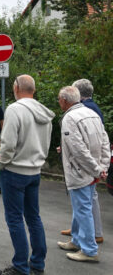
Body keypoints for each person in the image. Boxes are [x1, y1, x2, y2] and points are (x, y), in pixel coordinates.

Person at [0, 75, 55, 275]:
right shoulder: (44, 112)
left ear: (16, 88)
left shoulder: (14, 109)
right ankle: (37, 263)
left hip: (14, 171)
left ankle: (20, 266)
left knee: (14, 219)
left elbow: (8, 144)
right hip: (35, 171)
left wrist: (0, 166)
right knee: (33, 217)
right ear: (34, 90)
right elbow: (45, 144)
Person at [56, 86, 110, 263]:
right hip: (92, 169)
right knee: (81, 207)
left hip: (80, 171)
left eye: (59, 99)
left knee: (82, 209)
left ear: (65, 100)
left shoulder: (69, 118)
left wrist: (96, 169)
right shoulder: (91, 113)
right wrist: (102, 167)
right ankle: (77, 240)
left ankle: (89, 249)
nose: (58, 102)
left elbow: (78, 150)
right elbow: (104, 141)